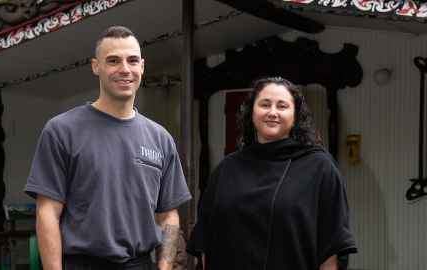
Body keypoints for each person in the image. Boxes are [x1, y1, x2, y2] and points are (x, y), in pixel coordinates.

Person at [25, 26, 192, 270]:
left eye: (132, 60)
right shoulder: (62, 130)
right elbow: (47, 212)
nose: (124, 69)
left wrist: (164, 267)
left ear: (142, 67)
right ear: (96, 66)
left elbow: (169, 217)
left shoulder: (161, 139)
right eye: (113, 60)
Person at [187, 77, 357, 270]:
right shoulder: (227, 169)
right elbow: (205, 240)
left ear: (296, 117)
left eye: (282, 106)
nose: (272, 112)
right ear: (252, 112)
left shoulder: (320, 169)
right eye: (265, 104)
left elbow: (332, 247)